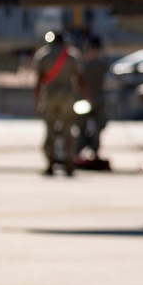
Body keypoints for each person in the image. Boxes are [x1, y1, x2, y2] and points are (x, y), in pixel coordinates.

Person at [33, 30, 85, 176]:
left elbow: (38, 80)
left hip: (49, 97)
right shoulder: (71, 55)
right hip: (67, 97)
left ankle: (50, 163)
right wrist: (85, 96)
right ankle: (69, 162)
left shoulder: (43, 55)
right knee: (68, 130)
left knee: (50, 130)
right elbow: (79, 79)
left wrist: (37, 100)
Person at [77, 33, 109, 160]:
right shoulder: (97, 65)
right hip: (90, 101)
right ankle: (82, 150)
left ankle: (90, 151)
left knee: (93, 127)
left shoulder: (86, 65)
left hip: (91, 100)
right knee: (82, 127)